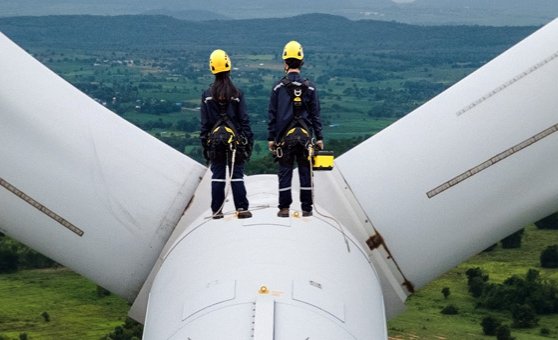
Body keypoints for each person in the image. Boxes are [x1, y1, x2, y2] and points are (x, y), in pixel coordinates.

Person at [267, 40, 324, 218]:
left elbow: (272, 114)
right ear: (302, 62)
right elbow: (315, 114)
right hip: (306, 138)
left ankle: (284, 208)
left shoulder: (278, 87)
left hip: (285, 138)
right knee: (305, 171)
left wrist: (271, 138)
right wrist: (320, 137)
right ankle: (306, 208)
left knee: (285, 171)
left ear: (285, 62)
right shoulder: (311, 87)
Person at [200, 49, 253, 219]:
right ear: (229, 66)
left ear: (212, 68)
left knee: (218, 175)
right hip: (234, 141)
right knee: (236, 174)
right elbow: (244, 120)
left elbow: (205, 124)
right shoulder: (237, 94)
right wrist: (248, 143)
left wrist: (205, 145)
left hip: (215, 142)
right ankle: (242, 208)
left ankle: (217, 210)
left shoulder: (207, 95)